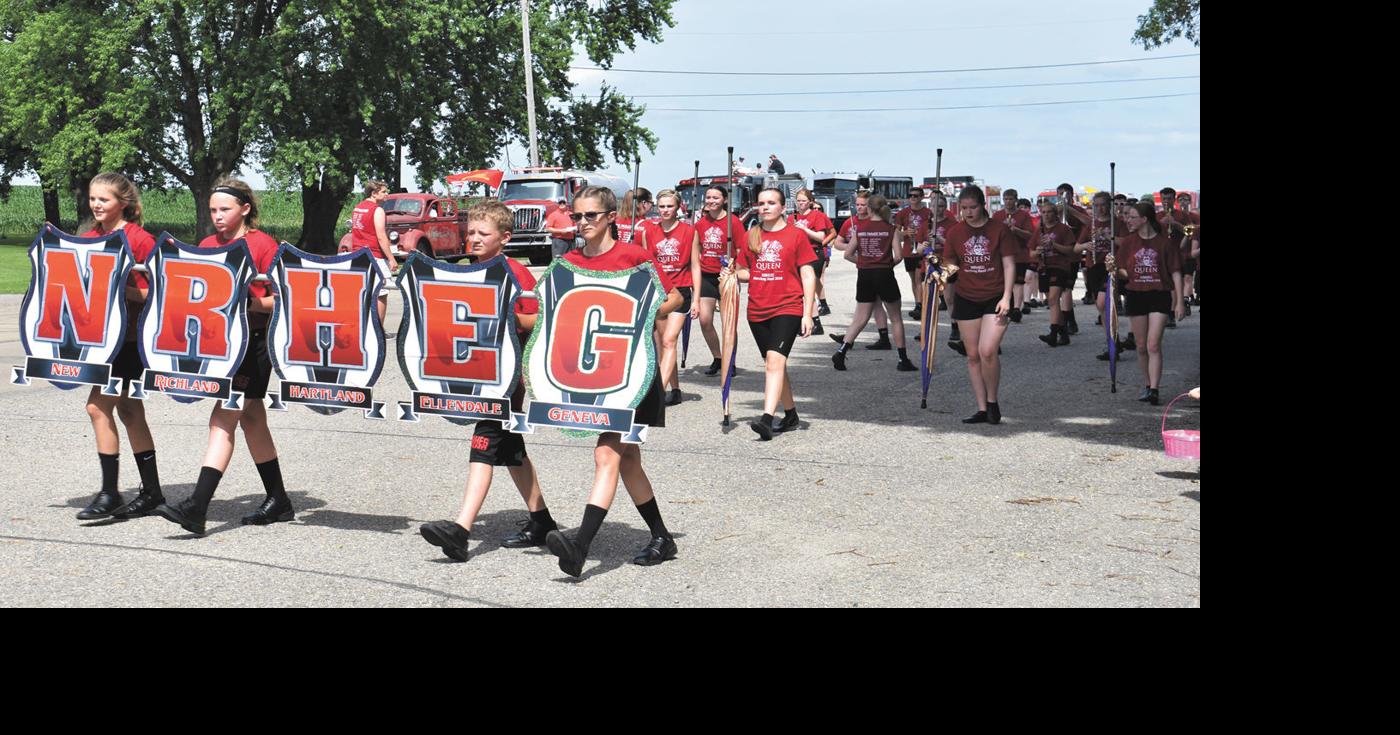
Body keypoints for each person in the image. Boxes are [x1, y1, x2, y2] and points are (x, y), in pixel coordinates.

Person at [545, 185, 684, 578]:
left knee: (607, 454)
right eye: (577, 216)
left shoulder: (634, 256)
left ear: (610, 218)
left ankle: (579, 547)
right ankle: (662, 536)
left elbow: (675, 299)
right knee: (628, 462)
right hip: (592, 376)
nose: (583, 223)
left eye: (591, 215)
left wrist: (642, 307)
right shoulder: (568, 262)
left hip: (632, 375)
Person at [418, 202, 559, 561]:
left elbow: (537, 321)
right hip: (476, 373)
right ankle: (541, 520)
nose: (474, 239)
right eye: (471, 233)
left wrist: (503, 318)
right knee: (511, 451)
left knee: (483, 441)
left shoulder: (515, 272)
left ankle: (461, 530)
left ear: (505, 238)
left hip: (507, 377)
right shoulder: (467, 271)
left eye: (484, 234)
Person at [153, 179, 290, 535]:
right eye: (213, 210)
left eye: (225, 209)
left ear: (245, 208)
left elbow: (281, 300)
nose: (217, 216)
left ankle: (197, 506)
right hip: (219, 347)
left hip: (253, 344)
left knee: (222, 419)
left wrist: (242, 301)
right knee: (253, 420)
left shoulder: (263, 244)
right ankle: (279, 500)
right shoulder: (207, 245)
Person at [73, 173, 164, 521]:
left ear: (122, 203)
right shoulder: (88, 237)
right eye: (93, 199)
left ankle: (110, 494)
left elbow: (155, 293)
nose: (96, 205)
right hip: (99, 342)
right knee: (129, 411)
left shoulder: (139, 239)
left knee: (97, 408)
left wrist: (117, 289)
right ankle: (152, 491)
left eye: (104, 199)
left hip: (128, 341)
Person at [739, 188, 817, 440]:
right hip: (757, 309)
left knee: (774, 362)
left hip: (788, 307)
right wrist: (739, 274)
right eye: (761, 203)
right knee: (776, 364)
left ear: (783, 207)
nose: (765, 207)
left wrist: (808, 313)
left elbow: (808, 274)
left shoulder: (796, 235)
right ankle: (791, 414)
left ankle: (766, 418)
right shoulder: (751, 235)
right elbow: (742, 270)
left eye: (771, 203)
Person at [942, 185, 1016, 425]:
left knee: (987, 351)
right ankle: (982, 407)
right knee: (973, 355)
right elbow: (950, 265)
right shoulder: (955, 232)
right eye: (963, 208)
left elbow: (1009, 264)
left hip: (995, 295)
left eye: (972, 207)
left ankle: (993, 401)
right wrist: (937, 267)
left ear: (982, 205)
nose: (968, 212)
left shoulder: (999, 229)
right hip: (967, 296)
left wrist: (1007, 296)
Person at [1107, 200, 1185, 406]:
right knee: (1141, 346)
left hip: (1159, 295)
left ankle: (1155, 389)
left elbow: (1176, 272)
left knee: (1153, 344)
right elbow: (1124, 272)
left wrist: (1180, 302)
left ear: (1144, 219)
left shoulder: (1164, 242)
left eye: (1132, 217)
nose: (1127, 220)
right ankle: (1147, 384)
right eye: (1127, 217)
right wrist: (1114, 269)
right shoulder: (1128, 243)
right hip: (1135, 295)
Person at [831, 194, 917, 373]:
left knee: (860, 317)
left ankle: (842, 350)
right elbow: (899, 256)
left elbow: (847, 254)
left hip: (864, 275)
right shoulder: (891, 229)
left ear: (869, 208)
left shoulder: (860, 228)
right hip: (884, 274)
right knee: (895, 318)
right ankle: (903, 359)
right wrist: (886, 264)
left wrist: (863, 263)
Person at [640, 190, 702, 406]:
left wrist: (696, 298)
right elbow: (647, 265)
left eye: (670, 206)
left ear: (678, 207)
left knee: (669, 340)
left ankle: (658, 393)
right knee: (664, 344)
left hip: (681, 291)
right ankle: (675, 389)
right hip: (658, 292)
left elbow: (695, 265)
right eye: (662, 206)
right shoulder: (649, 231)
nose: (665, 210)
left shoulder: (689, 231)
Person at [828, 191, 894, 349]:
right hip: (863, 266)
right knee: (873, 303)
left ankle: (850, 338)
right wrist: (854, 248)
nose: (859, 208)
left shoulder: (877, 222)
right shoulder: (851, 221)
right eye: (857, 204)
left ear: (870, 206)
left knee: (869, 304)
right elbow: (837, 243)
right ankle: (877, 337)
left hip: (875, 267)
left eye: (863, 205)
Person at [694, 185, 746, 376]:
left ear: (724, 199)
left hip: (727, 277)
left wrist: (736, 269)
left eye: (716, 197)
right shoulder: (700, 223)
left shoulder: (734, 222)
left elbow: (741, 250)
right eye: (708, 197)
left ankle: (730, 361)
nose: (711, 201)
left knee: (728, 323)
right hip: (707, 275)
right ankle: (718, 357)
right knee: (705, 320)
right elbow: (696, 248)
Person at [1031, 199, 1079, 347]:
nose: (1045, 215)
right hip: (1044, 266)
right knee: (1053, 303)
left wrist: (1054, 245)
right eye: (1043, 212)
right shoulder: (1039, 230)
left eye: (1049, 212)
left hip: (1060, 266)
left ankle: (1053, 333)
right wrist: (1037, 252)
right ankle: (1063, 333)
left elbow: (1070, 250)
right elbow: (1031, 252)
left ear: (1055, 213)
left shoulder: (1063, 229)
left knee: (1053, 299)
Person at [788, 188, 836, 335]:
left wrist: (804, 229)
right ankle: (813, 322)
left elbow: (822, 237)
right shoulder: (792, 217)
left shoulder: (817, 215)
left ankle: (815, 323)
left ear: (810, 201)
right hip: (797, 254)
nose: (801, 204)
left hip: (814, 253)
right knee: (800, 290)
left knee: (807, 288)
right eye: (799, 201)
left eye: (804, 201)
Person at [348, 179, 396, 322]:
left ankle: (363, 326)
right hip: (374, 256)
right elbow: (381, 236)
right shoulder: (378, 210)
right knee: (381, 293)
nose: (387, 194)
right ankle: (378, 330)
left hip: (357, 256)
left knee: (364, 293)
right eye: (384, 192)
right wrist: (391, 258)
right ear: (374, 193)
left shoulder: (357, 208)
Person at [992, 188, 1033, 323]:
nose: (1008, 202)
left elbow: (1029, 234)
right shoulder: (997, 215)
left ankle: (1016, 309)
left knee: (1018, 282)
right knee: (1005, 282)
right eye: (1006, 199)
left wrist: (1015, 230)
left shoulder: (1023, 215)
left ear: (1016, 200)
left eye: (1011, 199)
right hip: (1002, 254)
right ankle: (1008, 304)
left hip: (1020, 253)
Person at [895, 188, 933, 319]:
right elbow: (896, 234)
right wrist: (905, 233)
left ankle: (920, 305)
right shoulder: (903, 213)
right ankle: (918, 304)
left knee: (919, 279)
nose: (912, 198)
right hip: (908, 250)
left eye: (916, 196)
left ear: (922, 197)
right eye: (910, 195)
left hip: (923, 250)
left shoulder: (928, 212)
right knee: (914, 280)